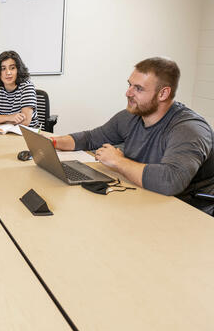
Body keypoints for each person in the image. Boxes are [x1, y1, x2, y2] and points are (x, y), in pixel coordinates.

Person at [51, 57, 214, 214]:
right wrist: (52, 142)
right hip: (146, 196)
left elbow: (170, 181)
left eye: (138, 88)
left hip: (188, 209)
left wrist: (118, 162)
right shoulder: (131, 116)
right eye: (130, 85)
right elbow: (91, 138)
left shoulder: (189, 129)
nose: (128, 93)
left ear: (163, 94)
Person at [0, 50, 39, 127]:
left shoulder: (27, 87)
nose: (8, 72)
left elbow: (25, 122)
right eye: (3, 69)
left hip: (26, 135)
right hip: (3, 134)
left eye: (12, 68)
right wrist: (10, 117)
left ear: (18, 70)